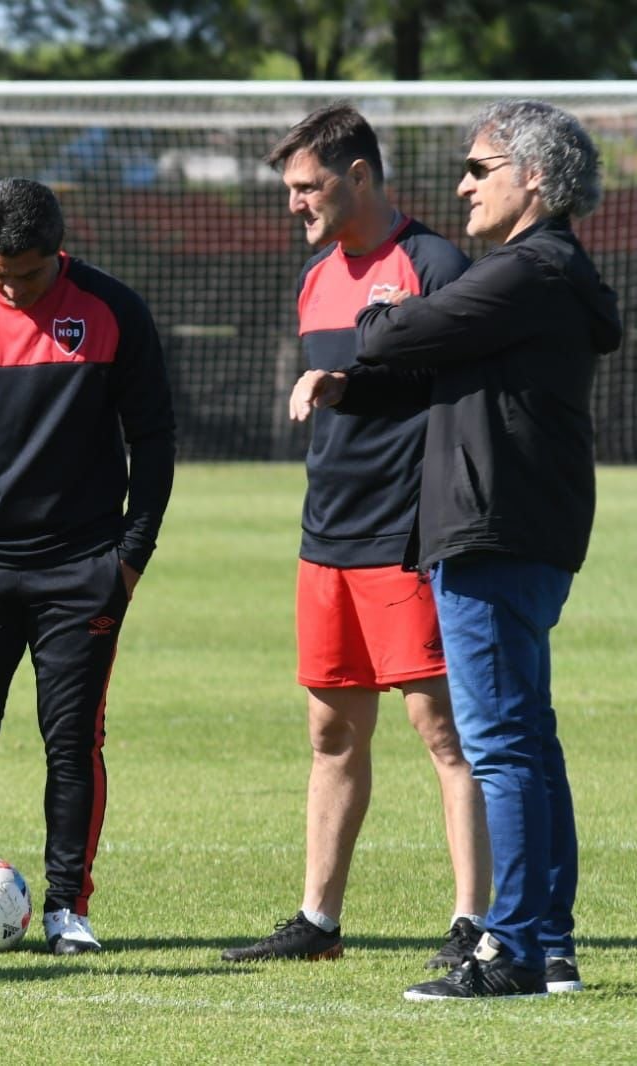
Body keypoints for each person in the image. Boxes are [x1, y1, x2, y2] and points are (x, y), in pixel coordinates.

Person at [349, 100, 621, 1002]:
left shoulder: (525, 270)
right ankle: (546, 945)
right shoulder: (548, 274)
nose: (461, 184)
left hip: (492, 528)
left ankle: (507, 946)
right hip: (523, 530)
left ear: (532, 179)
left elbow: (400, 336)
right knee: (527, 744)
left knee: (501, 744)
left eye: (478, 167)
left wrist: (384, 311)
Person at [222, 104, 491, 968]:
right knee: (331, 736)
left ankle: (471, 924)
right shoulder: (313, 278)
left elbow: (460, 399)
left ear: (359, 176)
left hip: (406, 539)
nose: (295, 203)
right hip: (325, 540)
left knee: (446, 738)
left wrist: (350, 385)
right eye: (291, 189)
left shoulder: (433, 264)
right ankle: (317, 922)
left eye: (307, 187)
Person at [0, 177, 176, 955]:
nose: (13, 289)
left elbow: (153, 439)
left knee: (71, 742)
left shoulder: (113, 312)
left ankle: (65, 911)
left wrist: (128, 559)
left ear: (61, 246)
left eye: (28, 272)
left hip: (79, 570)